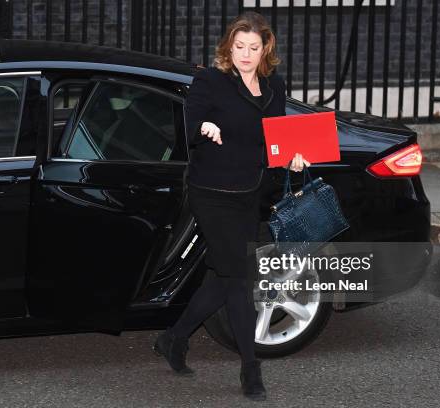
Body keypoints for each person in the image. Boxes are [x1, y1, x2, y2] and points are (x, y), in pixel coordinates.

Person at [152, 11, 310, 401]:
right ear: (229, 46)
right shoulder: (211, 81)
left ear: (265, 50)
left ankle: (173, 338)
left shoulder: (274, 87)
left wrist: (293, 157)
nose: (245, 54)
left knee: (223, 276)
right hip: (211, 192)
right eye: (239, 46)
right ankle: (250, 369)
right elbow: (184, 127)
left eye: (253, 48)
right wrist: (203, 127)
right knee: (239, 278)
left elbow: (275, 143)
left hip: (248, 193)